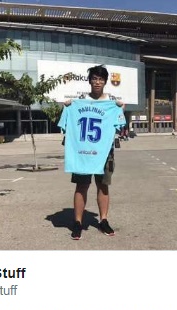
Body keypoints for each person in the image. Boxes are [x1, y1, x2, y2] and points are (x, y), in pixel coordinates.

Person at [59, 65, 125, 240]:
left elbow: (119, 123)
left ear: (105, 82)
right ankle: (78, 222)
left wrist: (121, 108)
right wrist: (66, 106)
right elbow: (67, 120)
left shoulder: (112, 102)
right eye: (94, 78)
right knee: (81, 186)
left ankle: (103, 220)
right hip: (82, 152)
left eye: (101, 79)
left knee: (103, 185)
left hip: (104, 151)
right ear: (89, 81)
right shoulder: (80, 100)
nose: (97, 82)